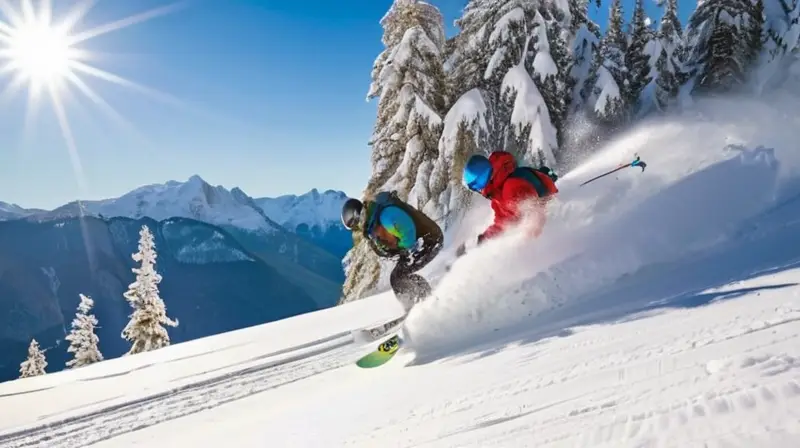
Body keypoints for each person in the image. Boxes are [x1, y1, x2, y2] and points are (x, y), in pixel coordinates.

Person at [341, 190, 443, 312]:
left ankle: (420, 304)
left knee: (398, 277)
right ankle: (424, 300)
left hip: (429, 240)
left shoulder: (386, 216)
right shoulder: (373, 224)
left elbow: (408, 231)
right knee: (399, 276)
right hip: (420, 242)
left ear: (360, 215)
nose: (357, 228)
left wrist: (406, 251)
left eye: (356, 224)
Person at [459, 150, 559, 255]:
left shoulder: (511, 187)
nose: (478, 190)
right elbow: (504, 221)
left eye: (477, 185)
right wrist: (485, 238)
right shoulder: (498, 192)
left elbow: (535, 213)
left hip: (550, 212)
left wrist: (529, 248)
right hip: (540, 208)